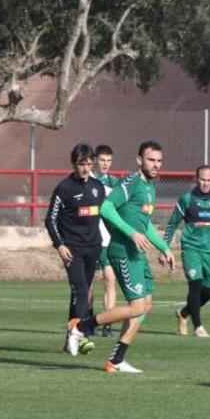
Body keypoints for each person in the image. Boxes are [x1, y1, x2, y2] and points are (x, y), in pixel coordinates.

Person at [66, 141, 175, 373]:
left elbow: (145, 226)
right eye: (151, 160)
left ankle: (115, 360)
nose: (155, 165)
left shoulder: (150, 187)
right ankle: (80, 326)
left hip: (138, 253)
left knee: (146, 304)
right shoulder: (130, 182)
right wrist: (130, 232)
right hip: (122, 251)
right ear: (139, 160)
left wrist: (164, 248)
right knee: (136, 306)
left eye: (159, 161)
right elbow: (106, 208)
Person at [45, 143, 105, 355]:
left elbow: (105, 216)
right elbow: (50, 221)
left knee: (81, 294)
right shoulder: (64, 188)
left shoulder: (98, 187)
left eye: (89, 163)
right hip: (73, 250)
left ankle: (68, 340)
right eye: (82, 164)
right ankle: (81, 335)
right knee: (80, 291)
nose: (86, 168)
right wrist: (60, 245)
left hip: (93, 248)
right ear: (74, 163)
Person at [163, 165, 210, 338]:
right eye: (202, 179)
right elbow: (172, 223)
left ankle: (183, 313)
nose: (205, 183)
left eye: (209, 180)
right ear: (195, 179)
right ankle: (198, 327)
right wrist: (164, 247)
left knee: (209, 290)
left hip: (209, 251)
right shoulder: (187, 199)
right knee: (195, 285)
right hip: (191, 249)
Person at [89, 144, 121, 337]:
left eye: (109, 161)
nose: (105, 164)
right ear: (95, 161)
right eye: (102, 160)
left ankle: (107, 323)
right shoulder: (88, 181)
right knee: (88, 283)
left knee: (110, 280)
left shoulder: (115, 183)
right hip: (91, 240)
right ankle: (89, 320)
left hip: (108, 241)